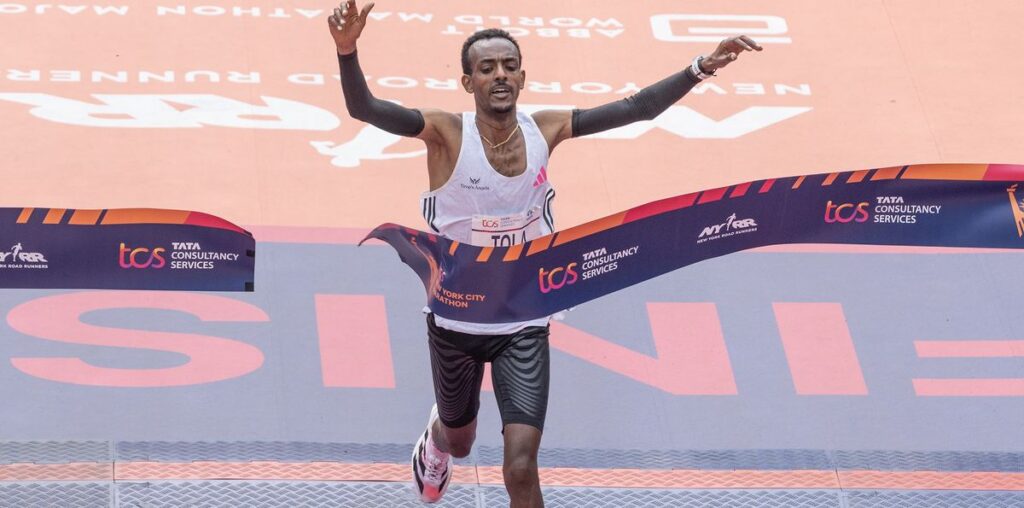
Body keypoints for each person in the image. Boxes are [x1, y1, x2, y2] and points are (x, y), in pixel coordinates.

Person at [327, 2, 762, 505]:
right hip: (456, 319)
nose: (500, 75)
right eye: (486, 68)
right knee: (461, 440)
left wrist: (701, 66)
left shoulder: (545, 129)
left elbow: (635, 109)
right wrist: (346, 50)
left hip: (524, 317)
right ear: (468, 83)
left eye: (509, 66)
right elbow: (365, 109)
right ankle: (437, 445)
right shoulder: (446, 134)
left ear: (523, 76)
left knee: (520, 466)